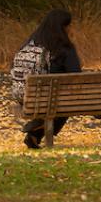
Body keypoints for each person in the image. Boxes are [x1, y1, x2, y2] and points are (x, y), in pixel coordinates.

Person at [16, 9, 81, 149]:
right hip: (49, 100)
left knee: (56, 99)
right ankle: (38, 129)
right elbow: (77, 76)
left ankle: (35, 134)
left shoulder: (30, 44)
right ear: (63, 27)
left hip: (24, 96)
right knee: (66, 102)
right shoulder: (64, 48)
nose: (71, 28)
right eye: (69, 25)